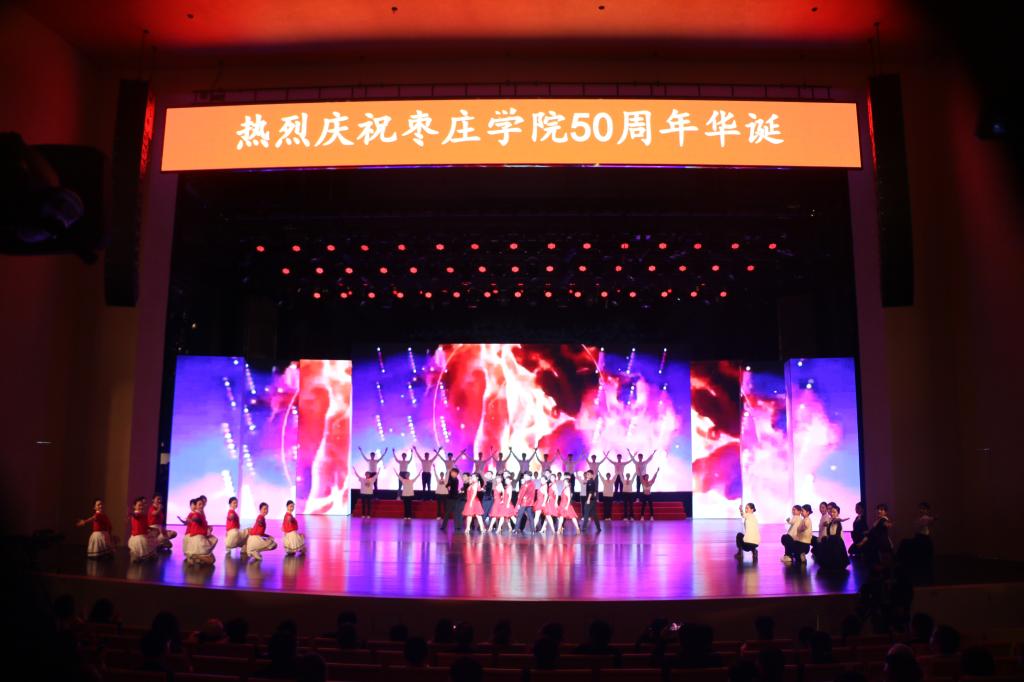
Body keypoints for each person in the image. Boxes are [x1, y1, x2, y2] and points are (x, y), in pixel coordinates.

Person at [815, 502, 850, 570]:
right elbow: (828, 526)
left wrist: (842, 520)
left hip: (837, 542)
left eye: (834, 512)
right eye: (831, 512)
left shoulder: (836, 519)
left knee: (837, 558)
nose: (832, 513)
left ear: (838, 513)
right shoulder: (831, 519)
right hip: (831, 540)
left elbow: (838, 519)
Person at [185, 497, 218, 565]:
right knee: (212, 560)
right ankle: (195, 556)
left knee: (210, 558)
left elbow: (202, 524)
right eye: (199, 504)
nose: (202, 506)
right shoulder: (196, 514)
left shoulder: (200, 514)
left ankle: (196, 557)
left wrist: (208, 528)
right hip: (198, 540)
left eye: (202, 504)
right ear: (196, 506)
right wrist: (194, 519)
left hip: (200, 537)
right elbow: (196, 518)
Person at [128, 496, 159, 561]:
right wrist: (131, 514)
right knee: (142, 555)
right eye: (139, 505)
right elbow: (135, 515)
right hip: (139, 538)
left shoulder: (143, 515)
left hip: (144, 536)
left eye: (142, 505)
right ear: (134, 506)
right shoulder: (137, 514)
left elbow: (145, 526)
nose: (141, 507)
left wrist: (152, 529)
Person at [439, 468, 463, 532]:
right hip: (452, 497)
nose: (452, 473)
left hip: (453, 498)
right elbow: (447, 485)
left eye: (453, 472)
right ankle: (455, 526)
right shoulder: (454, 479)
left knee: (452, 513)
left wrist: (448, 486)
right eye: (451, 472)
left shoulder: (454, 480)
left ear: (456, 474)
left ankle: (447, 526)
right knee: (449, 512)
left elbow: (447, 485)